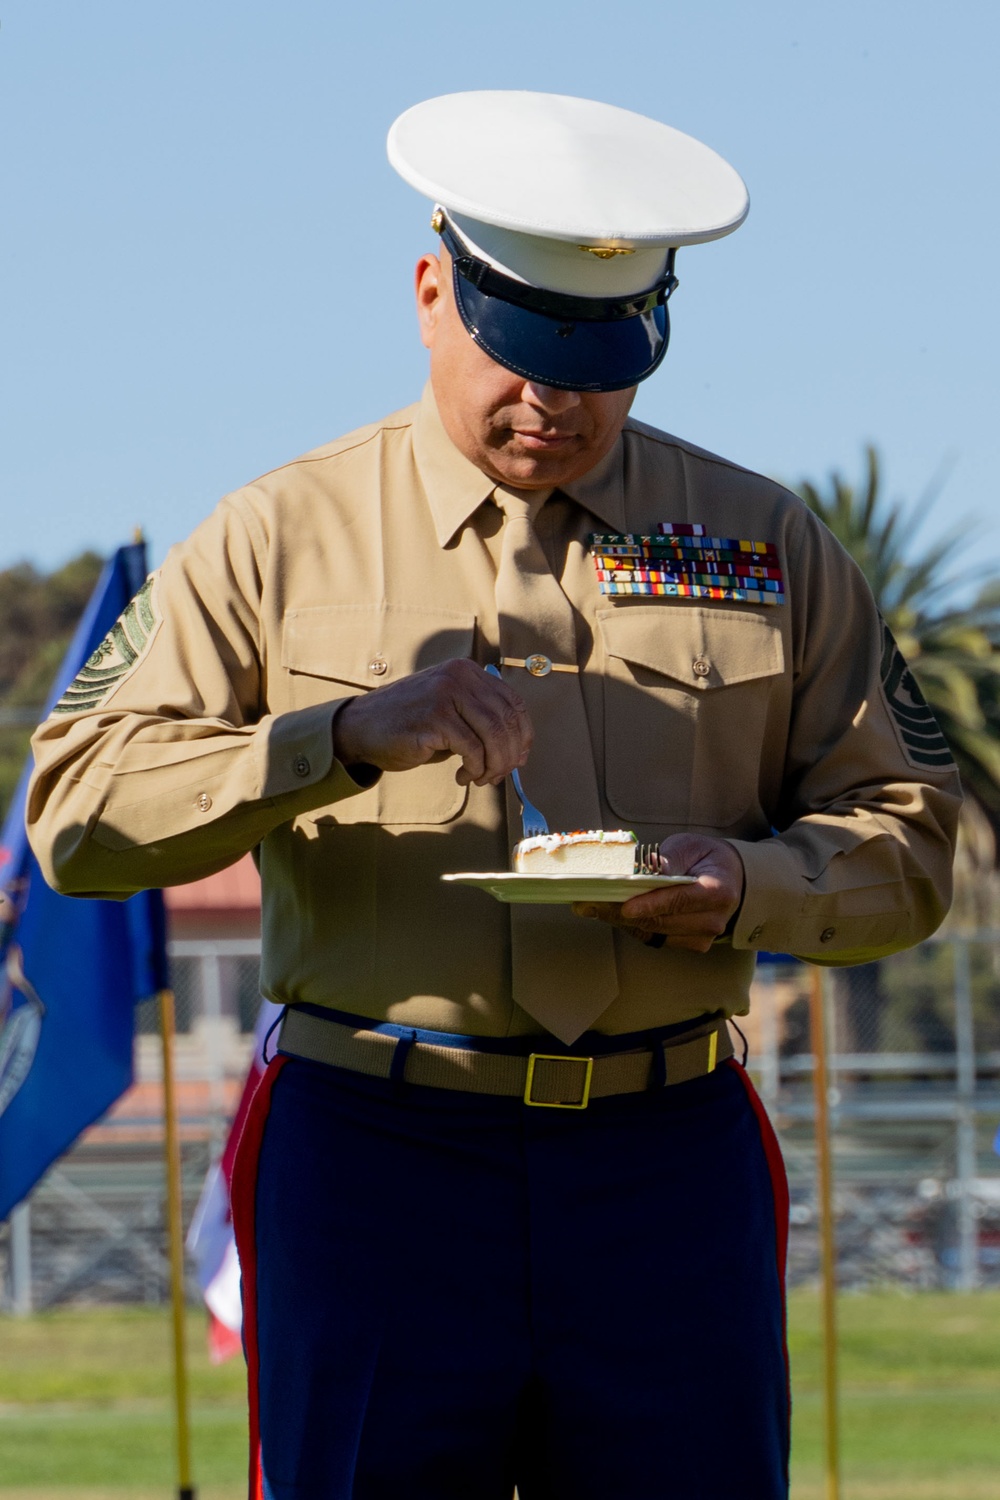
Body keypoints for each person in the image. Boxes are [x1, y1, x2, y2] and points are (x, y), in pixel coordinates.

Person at [27, 92, 960, 1499]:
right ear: (428, 291)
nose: (555, 402)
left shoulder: (769, 542)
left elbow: (910, 833)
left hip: (667, 1163)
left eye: (600, 360)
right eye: (520, 351)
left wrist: (751, 888)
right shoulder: (276, 532)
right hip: (378, 1160)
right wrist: (334, 736)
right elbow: (76, 810)